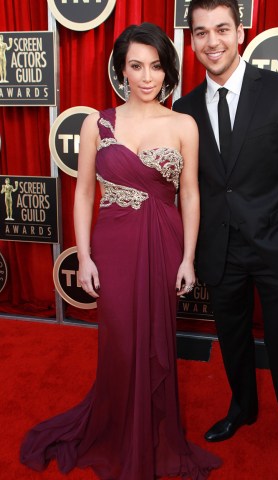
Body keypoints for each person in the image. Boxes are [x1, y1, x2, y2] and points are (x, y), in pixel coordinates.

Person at [20, 23, 221, 479]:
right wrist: (84, 255)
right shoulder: (98, 122)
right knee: (119, 340)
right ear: (122, 70)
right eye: (136, 66)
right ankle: (114, 428)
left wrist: (188, 257)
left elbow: (190, 195)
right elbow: (85, 193)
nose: (146, 76)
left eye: (155, 66)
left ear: (167, 70)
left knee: (156, 339)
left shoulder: (183, 124)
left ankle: (151, 430)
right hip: (112, 243)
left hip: (163, 242)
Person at [173, 0, 278, 467]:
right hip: (219, 250)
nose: (211, 41)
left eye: (221, 29)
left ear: (240, 32)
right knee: (232, 338)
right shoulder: (185, 108)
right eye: (200, 32)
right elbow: (189, 185)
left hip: (275, 244)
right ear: (191, 40)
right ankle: (242, 408)